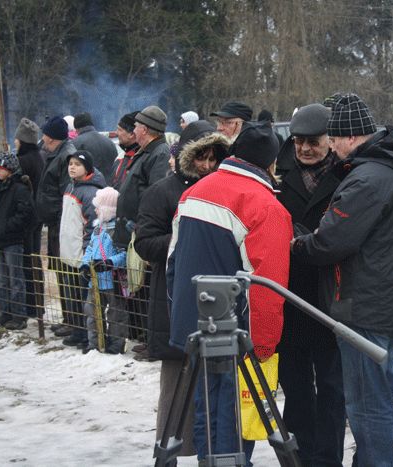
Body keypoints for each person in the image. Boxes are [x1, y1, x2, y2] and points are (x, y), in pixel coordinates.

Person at [291, 94, 393, 466]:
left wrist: (296, 243)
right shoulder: (391, 168)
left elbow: (330, 241)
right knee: (379, 398)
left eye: (332, 138)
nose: (330, 146)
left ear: (350, 137)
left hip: (364, 306)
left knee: (367, 406)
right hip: (384, 300)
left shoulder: (367, 178)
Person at [167, 121, 291, 462]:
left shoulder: (193, 192)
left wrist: (180, 317)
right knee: (232, 420)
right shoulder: (266, 207)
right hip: (237, 337)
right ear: (271, 164)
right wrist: (262, 346)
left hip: (196, 327)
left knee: (206, 412)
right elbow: (269, 287)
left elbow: (172, 263)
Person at [135, 122, 229, 459]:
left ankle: (212, 455)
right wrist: (184, 240)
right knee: (175, 392)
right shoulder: (161, 192)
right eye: (200, 157)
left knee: (217, 389)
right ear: (187, 157)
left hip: (217, 302)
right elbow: (144, 242)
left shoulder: (225, 190)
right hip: (173, 299)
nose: (207, 165)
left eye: (214, 158)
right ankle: (169, 457)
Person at [276, 103, 346, 466]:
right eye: (299, 141)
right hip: (289, 294)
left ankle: (328, 457)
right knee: (296, 386)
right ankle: (301, 456)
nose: (304, 148)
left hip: (330, 294)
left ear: (330, 140)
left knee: (333, 386)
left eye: (313, 142)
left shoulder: (347, 175)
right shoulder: (278, 175)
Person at [114, 105, 170, 346]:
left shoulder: (159, 154)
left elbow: (156, 193)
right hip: (134, 230)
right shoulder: (146, 151)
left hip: (145, 230)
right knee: (138, 287)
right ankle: (142, 335)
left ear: (145, 129)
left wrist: (141, 224)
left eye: (136, 126)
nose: (133, 130)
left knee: (147, 289)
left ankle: (151, 339)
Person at [58, 151, 106, 348]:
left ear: (87, 168)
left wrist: (87, 251)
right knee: (72, 295)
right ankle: (77, 330)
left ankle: (89, 334)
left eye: (77, 164)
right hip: (68, 251)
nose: (72, 167)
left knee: (83, 297)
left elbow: (92, 226)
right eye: (70, 163)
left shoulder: (90, 192)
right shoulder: (70, 187)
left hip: (81, 253)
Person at [0, 152, 35, 330]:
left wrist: (6, 228)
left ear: (10, 169)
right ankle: (5, 313)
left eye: (0, 168)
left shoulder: (19, 189)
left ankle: (19, 316)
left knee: (15, 279)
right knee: (2, 280)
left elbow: (25, 214)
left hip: (12, 240)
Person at [36, 116, 76, 336]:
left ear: (52, 138)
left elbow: (66, 194)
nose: (42, 139)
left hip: (63, 225)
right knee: (60, 272)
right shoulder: (57, 154)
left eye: (45, 135)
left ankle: (74, 321)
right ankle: (68, 318)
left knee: (68, 273)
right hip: (55, 225)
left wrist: (60, 222)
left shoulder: (66, 156)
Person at [79, 187, 127, 355]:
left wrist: (109, 263)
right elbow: (90, 249)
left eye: (98, 207)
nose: (95, 210)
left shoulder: (118, 230)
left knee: (116, 315)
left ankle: (116, 344)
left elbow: (124, 254)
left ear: (107, 209)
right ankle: (95, 342)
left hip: (113, 281)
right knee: (92, 313)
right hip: (95, 280)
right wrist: (85, 265)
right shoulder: (97, 229)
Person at [13, 117, 45, 319]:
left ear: (22, 140)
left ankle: (30, 305)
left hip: (25, 218)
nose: (15, 142)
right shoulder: (39, 157)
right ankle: (38, 305)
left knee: (26, 261)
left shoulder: (22, 161)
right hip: (37, 216)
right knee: (34, 259)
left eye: (17, 139)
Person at [72, 112, 118, 180]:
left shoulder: (76, 143)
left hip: (88, 184)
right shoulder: (110, 142)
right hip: (109, 184)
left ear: (76, 128)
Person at [110, 111, 140, 189]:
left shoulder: (141, 158)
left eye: (119, 130)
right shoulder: (121, 156)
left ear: (131, 134)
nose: (116, 133)